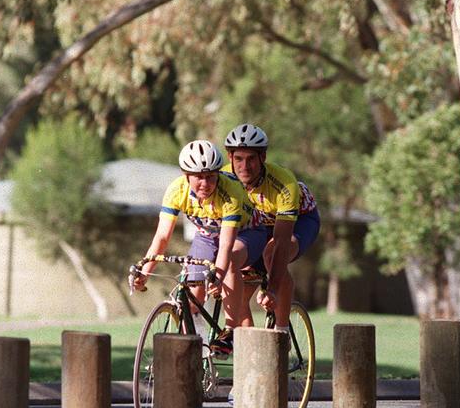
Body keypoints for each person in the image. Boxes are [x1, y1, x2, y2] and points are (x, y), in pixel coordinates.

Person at [131, 139, 266, 354]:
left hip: (247, 233)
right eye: (198, 177)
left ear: (218, 175)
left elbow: (225, 245)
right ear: (186, 176)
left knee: (230, 259)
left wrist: (217, 275)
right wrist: (145, 272)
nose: (205, 183)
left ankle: (230, 331)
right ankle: (199, 353)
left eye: (211, 177)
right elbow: (162, 237)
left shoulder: (230, 192)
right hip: (207, 235)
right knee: (193, 297)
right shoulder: (176, 190)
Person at [223, 123, 320, 332]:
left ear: (263, 157)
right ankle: (250, 349)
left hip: (299, 223)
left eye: (251, 159)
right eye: (238, 159)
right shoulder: (223, 179)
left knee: (272, 253)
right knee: (237, 291)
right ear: (230, 157)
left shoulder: (284, 183)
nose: (244, 166)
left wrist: (273, 290)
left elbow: (283, 242)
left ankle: (281, 332)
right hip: (257, 228)